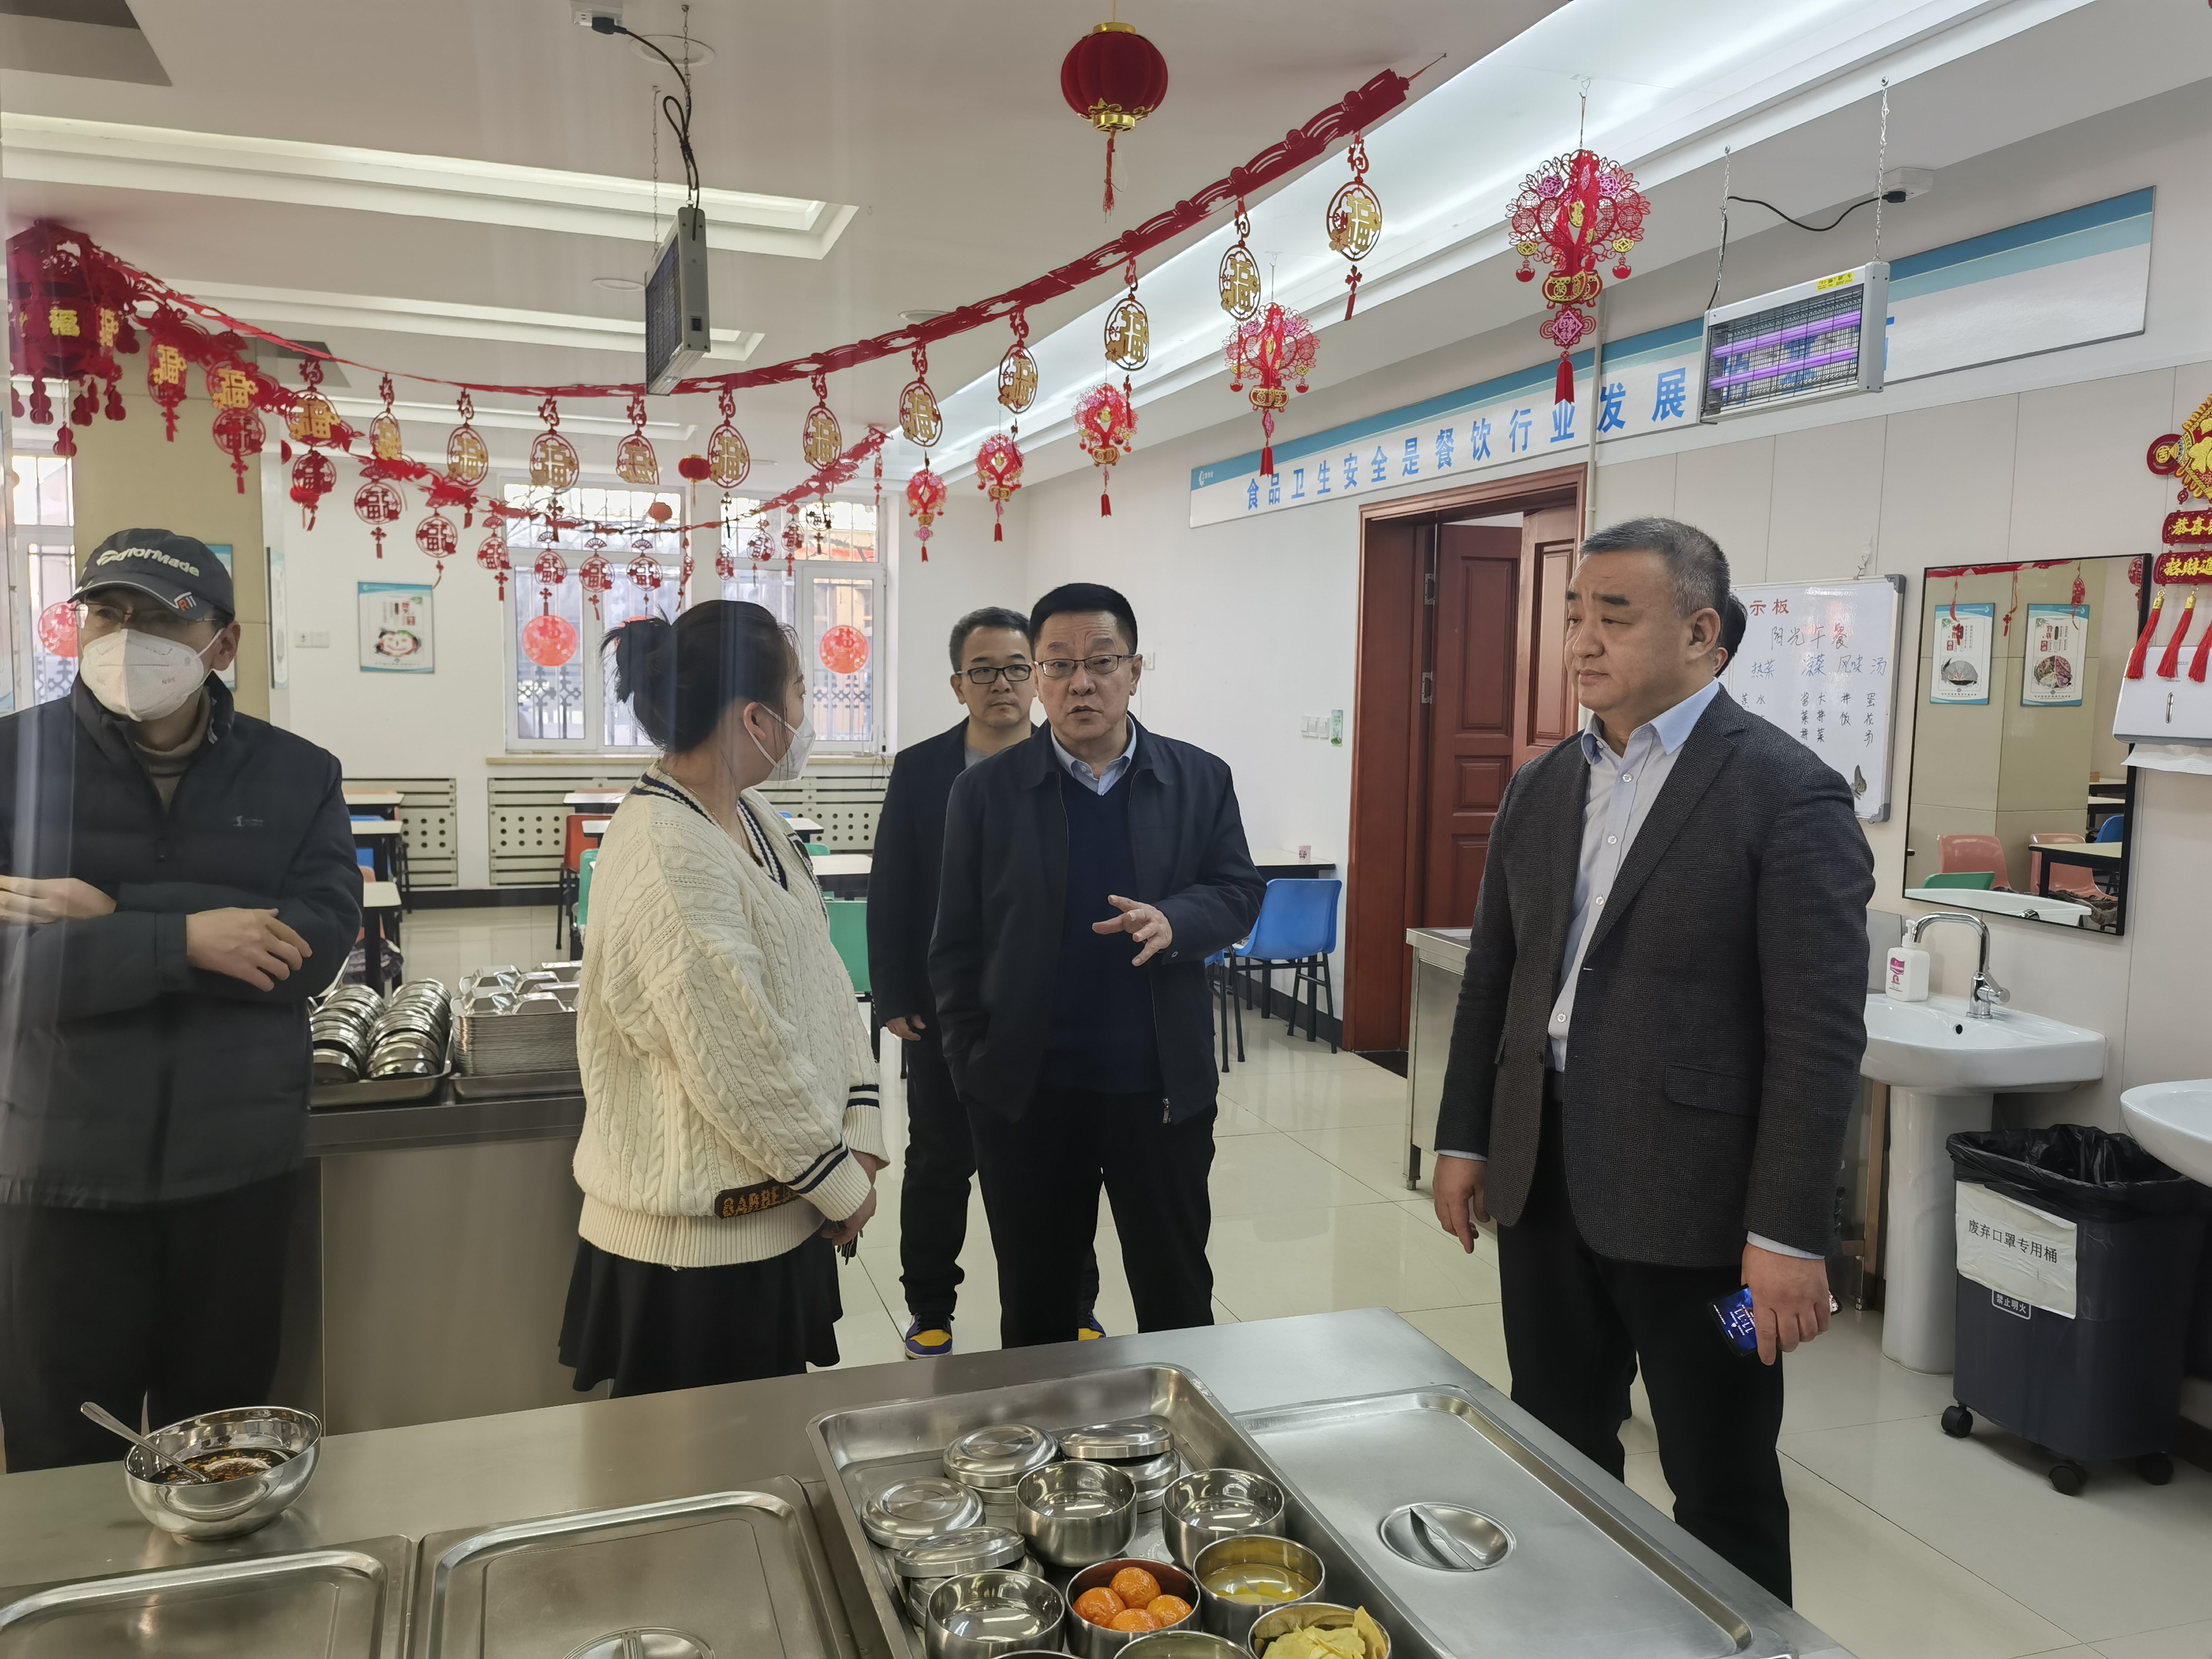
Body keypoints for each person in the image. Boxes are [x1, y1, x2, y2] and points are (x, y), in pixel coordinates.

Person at [1429, 517, 1872, 1602]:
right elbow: (1497, 979)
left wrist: (1785, 1234)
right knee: (1554, 1439)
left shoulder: (1786, 793)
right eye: (1573, 614)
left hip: (1703, 1216)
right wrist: (1464, 1136)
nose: (1581, 640)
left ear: (1702, 632)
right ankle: (1571, 1626)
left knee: (1719, 1472)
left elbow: (1816, 1036)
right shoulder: (1543, 784)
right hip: (1542, 1177)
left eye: (1614, 616)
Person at [0, 530, 360, 1471]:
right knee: (64, 1456)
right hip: (63, 1176)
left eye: (162, 619)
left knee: (224, 1453)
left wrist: (108, 916)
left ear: (223, 643)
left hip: (235, 1173)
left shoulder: (298, 774)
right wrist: (188, 937)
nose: (129, 638)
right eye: (107, 614)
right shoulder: (14, 764)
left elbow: (314, 946)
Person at [562, 601, 887, 1396]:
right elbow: (738, 1060)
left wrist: (860, 1127)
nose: (806, 714)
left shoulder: (751, 815)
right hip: (696, 1256)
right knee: (702, 1465)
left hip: (778, 1206)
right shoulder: (669, 851)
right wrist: (837, 1180)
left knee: (766, 1451)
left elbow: (822, 975)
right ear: (755, 718)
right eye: (801, 692)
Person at [932, 583, 1264, 1348]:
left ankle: (1178, 1425)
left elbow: (1239, 891)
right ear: (1037, 677)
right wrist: (975, 1073)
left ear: (1135, 671)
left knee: (1177, 1299)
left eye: (1102, 662)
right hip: (1029, 1099)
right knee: (1038, 1312)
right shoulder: (984, 793)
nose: (1081, 683)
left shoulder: (1199, 778)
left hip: (1162, 1094)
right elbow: (955, 946)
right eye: (1059, 665)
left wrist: (1175, 920)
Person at [868, 606, 1103, 1358]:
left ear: (1036, 677)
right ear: (958, 684)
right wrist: (895, 991)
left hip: (1046, 1012)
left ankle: (1074, 1301)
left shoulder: (1072, 762)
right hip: (945, 1006)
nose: (1001, 684)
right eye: (983, 671)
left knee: (1061, 1162)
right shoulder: (921, 769)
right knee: (940, 1159)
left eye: (1015, 668)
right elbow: (893, 884)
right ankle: (930, 1304)